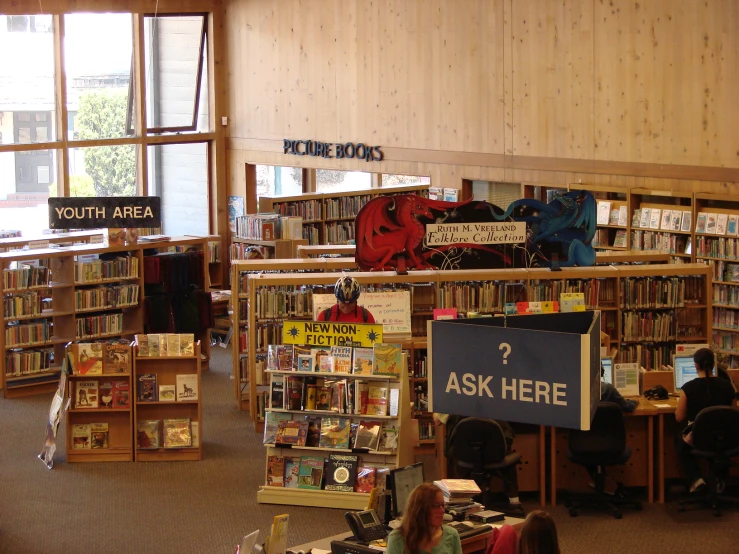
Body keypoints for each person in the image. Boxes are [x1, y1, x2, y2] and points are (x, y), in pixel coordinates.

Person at [675, 348, 736, 493]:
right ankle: (720, 479)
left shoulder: (688, 388)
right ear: (713, 365)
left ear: (696, 366)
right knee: (719, 439)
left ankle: (695, 478)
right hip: (727, 439)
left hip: (700, 440)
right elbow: (734, 414)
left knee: (678, 437)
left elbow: (679, 417)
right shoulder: (727, 386)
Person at [433, 413, 522, 512]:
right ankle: (514, 502)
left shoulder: (454, 401)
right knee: (509, 455)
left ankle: (464, 501)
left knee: (456, 456)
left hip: (465, 455)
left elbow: (437, 422)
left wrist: (436, 411)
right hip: (495, 454)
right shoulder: (499, 400)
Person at [386, 483, 462, 554]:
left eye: (443, 505)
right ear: (420, 510)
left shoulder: (452, 535)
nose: (442, 511)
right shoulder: (397, 539)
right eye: (436, 506)